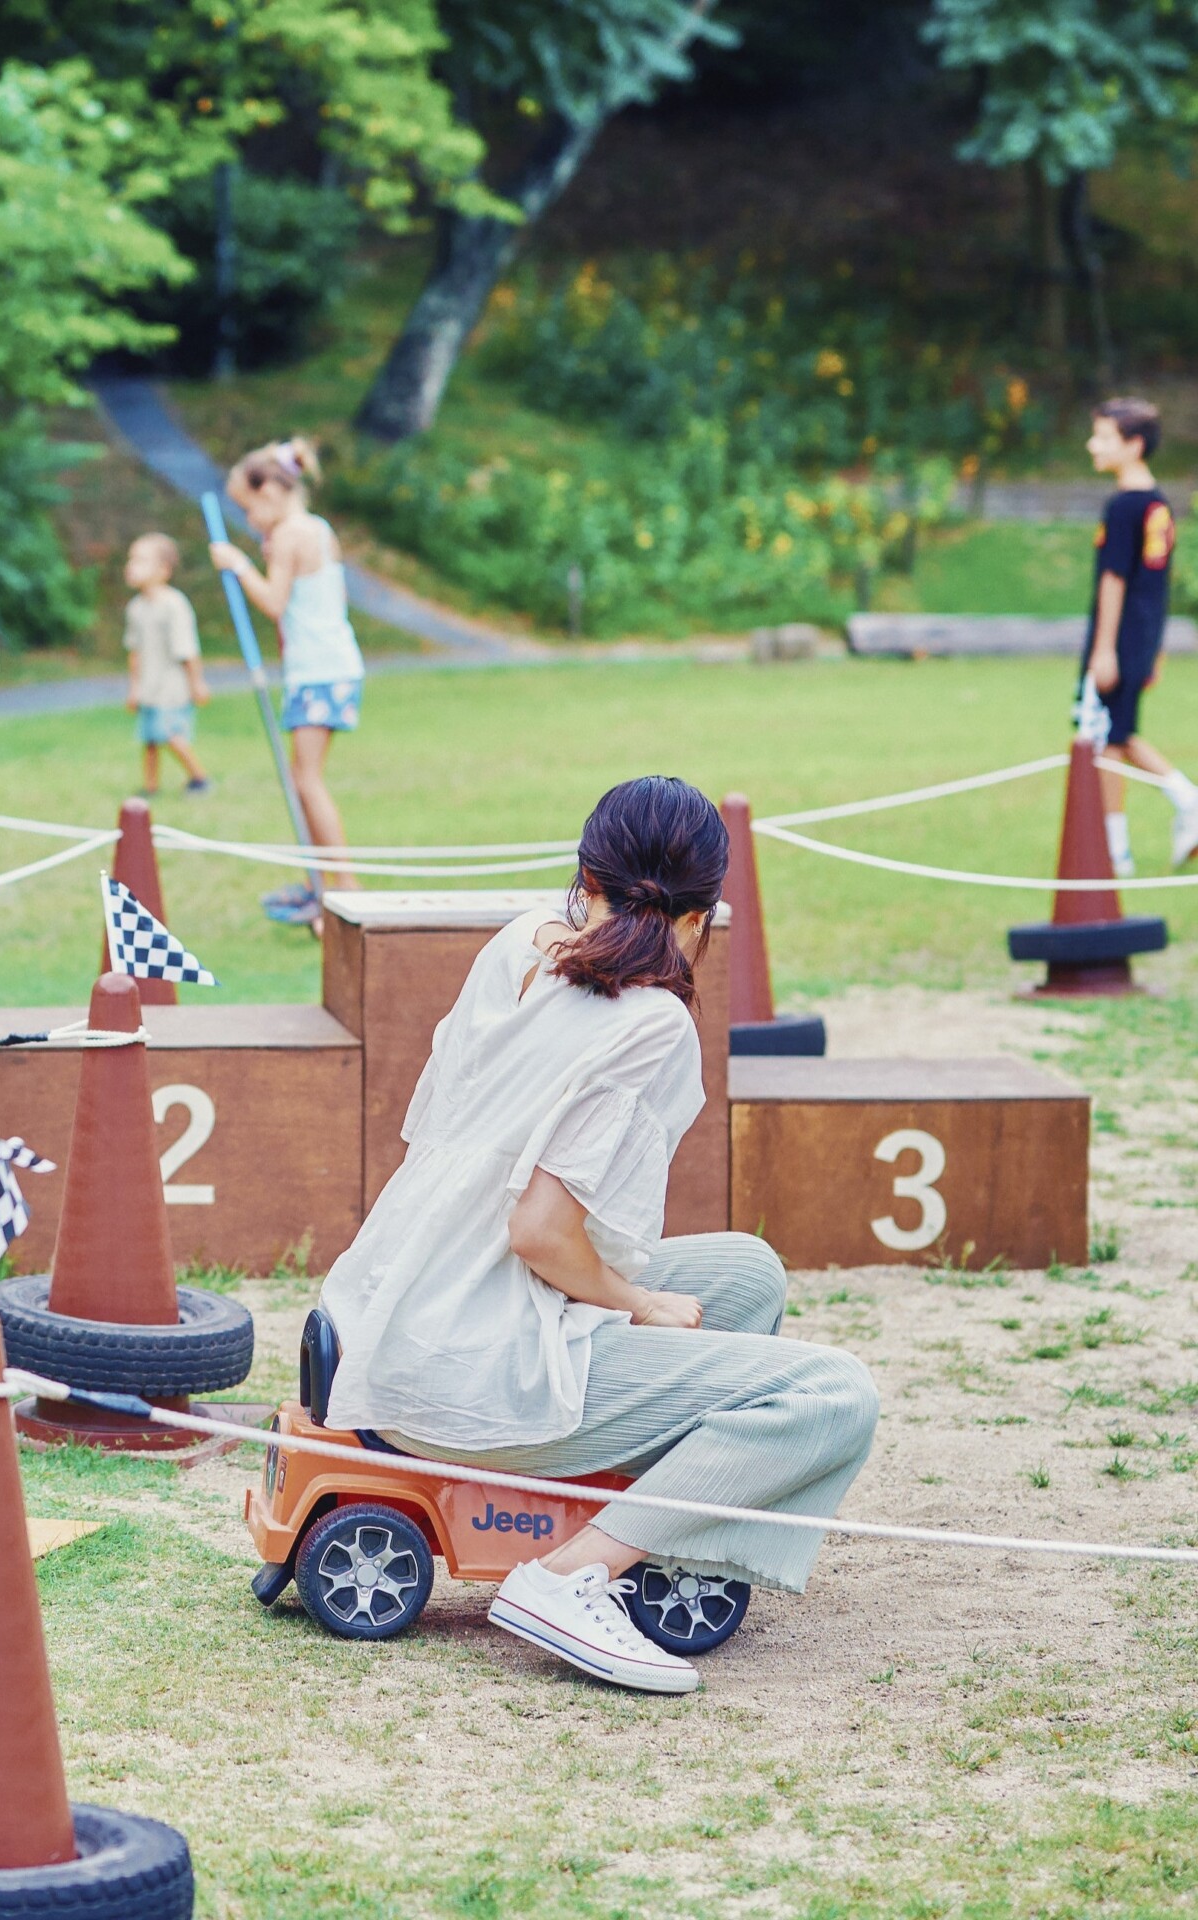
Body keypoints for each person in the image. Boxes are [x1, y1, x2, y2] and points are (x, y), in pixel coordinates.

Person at [315, 777, 878, 1695]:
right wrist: (638, 1302)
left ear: (586, 875)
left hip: (396, 1308)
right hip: (473, 1363)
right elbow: (541, 1233)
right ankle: (573, 1577)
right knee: (834, 1394)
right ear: (706, 914)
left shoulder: (516, 944)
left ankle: (656, 1526)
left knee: (746, 1273)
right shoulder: (651, 1023)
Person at [207, 436, 363, 924]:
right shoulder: (315, 528)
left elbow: (274, 601)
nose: (249, 521)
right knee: (303, 780)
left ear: (270, 494)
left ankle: (343, 888)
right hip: (329, 665)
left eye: (248, 509)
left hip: (319, 671)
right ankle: (321, 882)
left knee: (307, 779)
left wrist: (238, 564)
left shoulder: (291, 535)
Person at [1077, 397, 1196, 873]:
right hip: (1142, 635)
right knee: (1113, 738)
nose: (1093, 445)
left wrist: (1104, 648)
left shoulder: (1125, 505)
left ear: (1134, 445)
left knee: (1109, 736)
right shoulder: (1159, 503)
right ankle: (1116, 849)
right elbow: (1159, 584)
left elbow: (1116, 579)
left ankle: (1183, 802)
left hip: (1119, 637)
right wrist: (1155, 648)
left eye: (1104, 437)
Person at [122, 532, 211, 797]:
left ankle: (199, 778)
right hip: (149, 687)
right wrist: (134, 687)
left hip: (172, 687)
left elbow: (188, 650)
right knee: (149, 738)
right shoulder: (136, 608)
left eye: (140, 560)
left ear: (163, 570)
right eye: (131, 560)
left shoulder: (174, 605)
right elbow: (134, 651)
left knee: (172, 736)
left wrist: (197, 683)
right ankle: (150, 786)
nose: (131, 566)